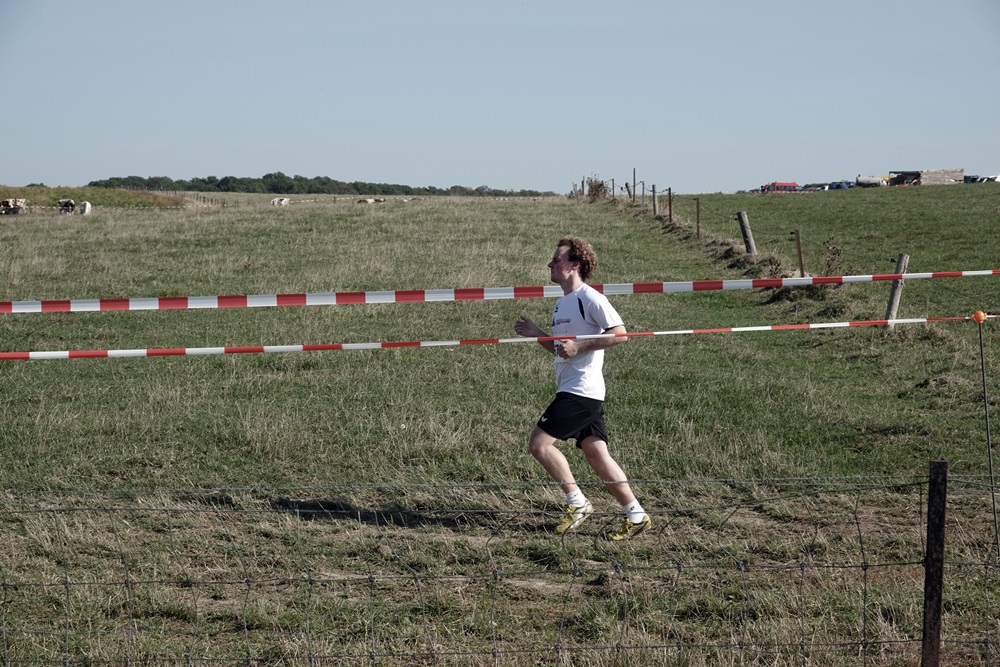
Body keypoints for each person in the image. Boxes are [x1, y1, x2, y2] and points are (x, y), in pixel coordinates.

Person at [514, 236, 650, 541]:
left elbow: (620, 334)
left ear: (574, 265)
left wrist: (582, 345)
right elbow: (562, 351)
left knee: (539, 444)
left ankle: (577, 503)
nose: (550, 264)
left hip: (580, 391)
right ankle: (637, 515)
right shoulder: (561, 303)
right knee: (596, 454)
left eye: (557, 259)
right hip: (579, 389)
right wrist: (538, 334)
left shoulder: (591, 298)